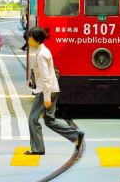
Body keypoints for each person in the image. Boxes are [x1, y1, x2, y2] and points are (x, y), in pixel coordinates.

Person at [25, 27, 84, 155]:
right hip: (53, 88)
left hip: (45, 91)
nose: (28, 40)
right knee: (49, 120)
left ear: (36, 39)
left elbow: (45, 77)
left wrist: (46, 98)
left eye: (30, 38)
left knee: (33, 119)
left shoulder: (41, 55)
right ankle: (75, 135)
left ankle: (37, 149)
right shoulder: (45, 51)